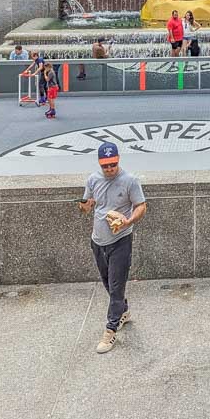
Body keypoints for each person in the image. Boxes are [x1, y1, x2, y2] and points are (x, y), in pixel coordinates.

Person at [79, 142, 146, 354]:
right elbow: (85, 208)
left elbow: (141, 206)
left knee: (117, 287)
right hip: (98, 240)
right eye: (105, 165)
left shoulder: (130, 181)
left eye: (113, 165)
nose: (109, 169)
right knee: (107, 282)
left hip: (121, 241)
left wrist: (128, 221)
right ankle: (123, 311)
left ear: (118, 160)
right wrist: (84, 206)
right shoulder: (92, 179)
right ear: (99, 163)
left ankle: (110, 329)